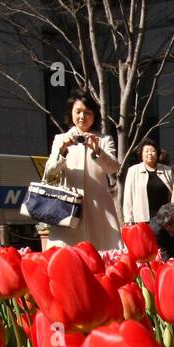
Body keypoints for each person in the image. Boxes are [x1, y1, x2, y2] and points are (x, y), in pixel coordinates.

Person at [43, 88, 121, 252]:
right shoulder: (60, 139)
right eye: (78, 111)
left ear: (94, 115)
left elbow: (113, 167)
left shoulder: (104, 139)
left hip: (98, 208)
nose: (82, 117)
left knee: (101, 253)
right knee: (69, 255)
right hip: (68, 207)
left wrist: (98, 151)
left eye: (87, 112)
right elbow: (50, 171)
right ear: (71, 113)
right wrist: (63, 150)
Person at [122, 137, 174, 226]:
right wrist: (128, 219)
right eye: (146, 151)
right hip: (142, 219)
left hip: (165, 219)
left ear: (157, 154)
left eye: (153, 151)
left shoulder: (167, 171)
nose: (150, 153)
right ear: (141, 155)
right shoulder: (133, 171)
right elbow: (128, 197)